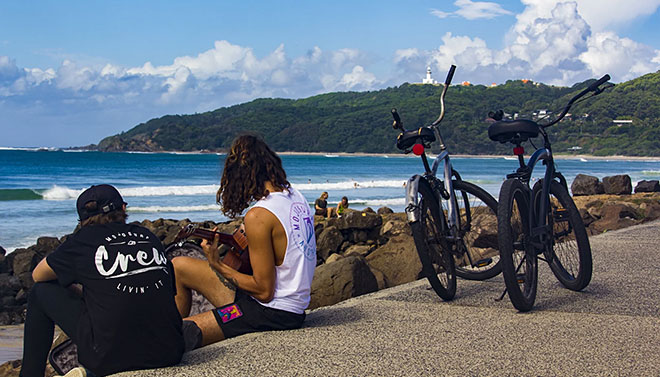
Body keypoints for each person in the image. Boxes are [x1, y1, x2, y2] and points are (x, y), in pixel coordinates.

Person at [21, 184, 184, 377]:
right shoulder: (148, 236)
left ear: (82, 220)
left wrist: (74, 286)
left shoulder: (83, 241)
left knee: (41, 292)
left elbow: (38, 275)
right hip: (170, 352)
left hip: (111, 359)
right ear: (123, 209)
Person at [172, 134, 316, 349]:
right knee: (179, 266)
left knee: (179, 334)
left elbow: (264, 292)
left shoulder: (258, 215)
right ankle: (169, 325)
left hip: (272, 312)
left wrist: (217, 264)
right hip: (290, 304)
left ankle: (167, 341)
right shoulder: (295, 195)